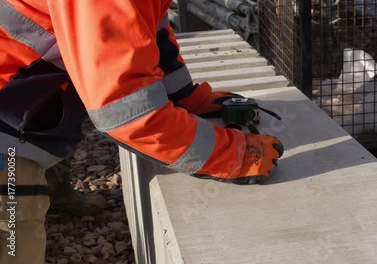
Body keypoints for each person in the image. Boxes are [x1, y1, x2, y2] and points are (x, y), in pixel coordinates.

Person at [0, 0, 284, 263]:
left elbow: (146, 30)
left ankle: (54, 195)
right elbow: (126, 112)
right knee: (13, 221)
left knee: (47, 152)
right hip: (6, 118)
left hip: (27, 93)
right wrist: (230, 154)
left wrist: (182, 97)